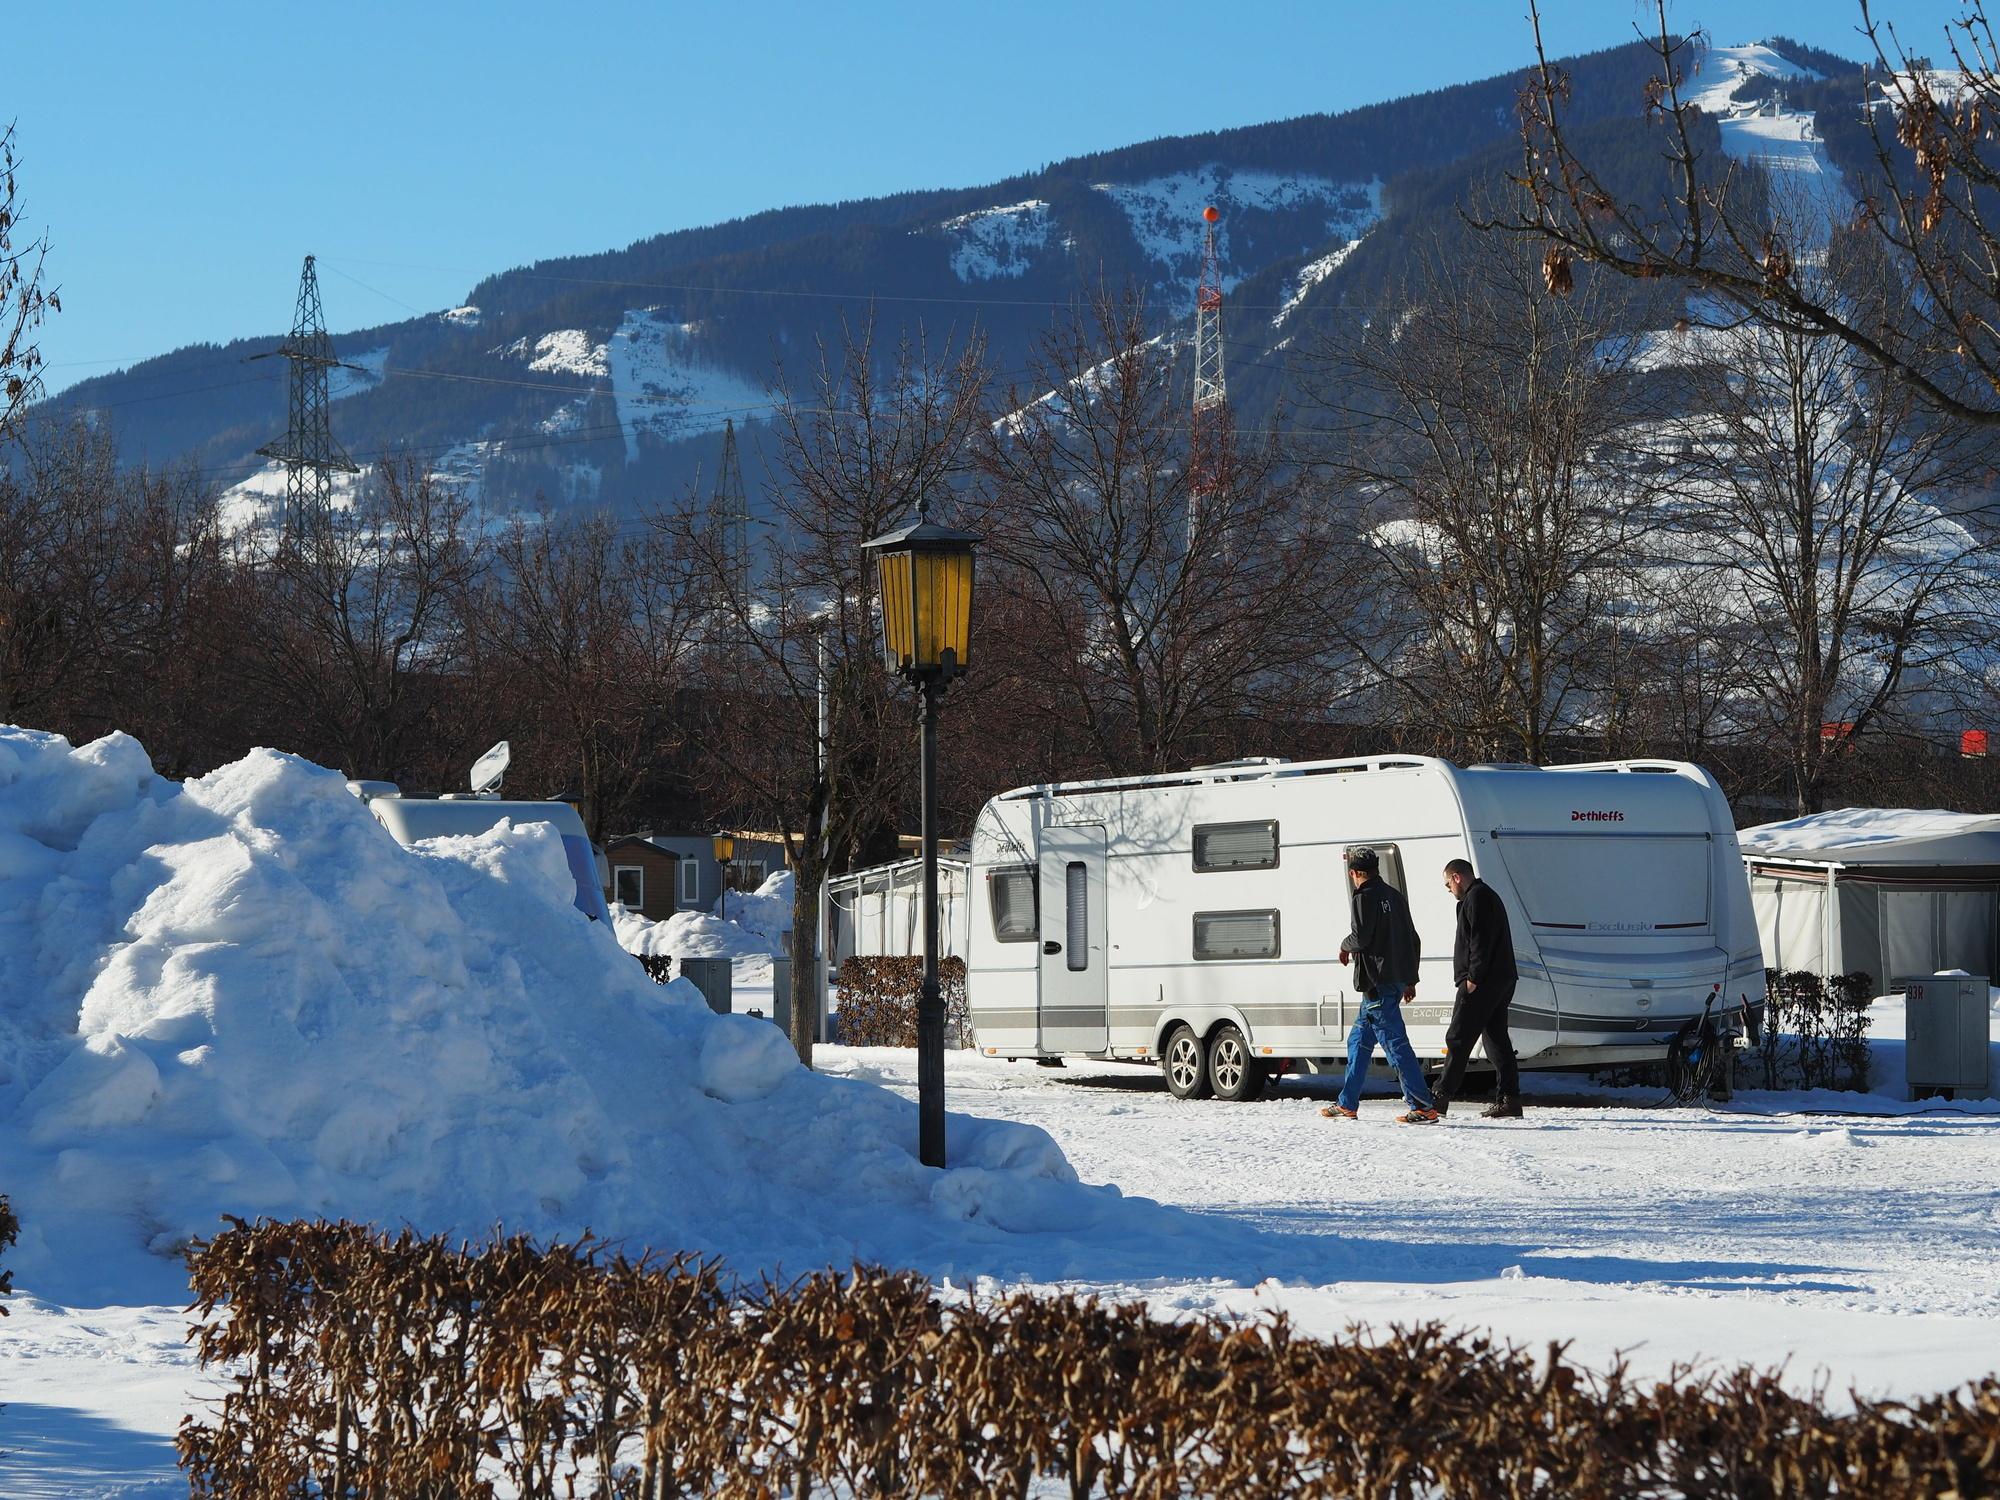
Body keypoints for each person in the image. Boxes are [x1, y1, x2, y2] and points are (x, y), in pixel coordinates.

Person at [1320, 846, 1438, 1124]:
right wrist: (1410, 979)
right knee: (1358, 1042)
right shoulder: (1394, 896)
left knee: (1396, 1045)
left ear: (1354, 873)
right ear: (1376, 868)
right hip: (1394, 980)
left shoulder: (1363, 897)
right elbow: (1414, 939)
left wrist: (1344, 946)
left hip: (1377, 983)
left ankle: (1422, 1105)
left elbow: (1360, 938)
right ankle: (1347, 1103)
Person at [1434, 858, 1523, 1120]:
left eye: (1448, 884)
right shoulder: (1484, 896)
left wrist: (1473, 977)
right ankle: (1510, 1099)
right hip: (1501, 978)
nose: (1449, 889)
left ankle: (1439, 1097)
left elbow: (1480, 940)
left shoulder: (1477, 897)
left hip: (1483, 981)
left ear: (1457, 877)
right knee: (1496, 1040)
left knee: (1458, 1038)